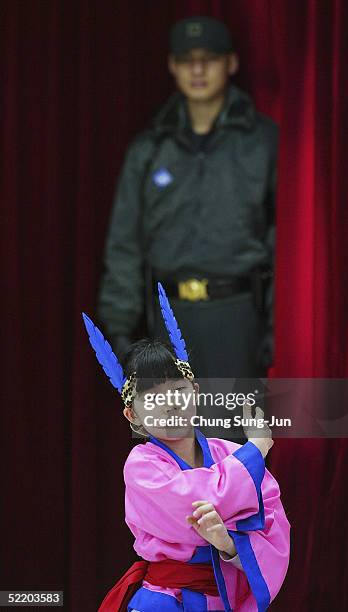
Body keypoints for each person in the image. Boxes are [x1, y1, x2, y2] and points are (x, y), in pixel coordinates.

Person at [82, 284, 290, 611]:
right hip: (163, 602)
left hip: (224, 601)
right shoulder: (141, 466)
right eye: (152, 397)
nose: (169, 403)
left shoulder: (229, 454)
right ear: (132, 415)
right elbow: (196, 502)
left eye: (176, 390)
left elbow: (275, 529)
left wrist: (228, 545)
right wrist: (257, 449)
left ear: (194, 391)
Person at [97, 15, 277, 381]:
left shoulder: (262, 142)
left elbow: (284, 238)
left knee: (232, 433)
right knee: (173, 434)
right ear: (172, 67)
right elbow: (125, 242)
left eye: (208, 59)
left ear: (231, 63)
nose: (198, 70)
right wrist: (118, 329)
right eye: (186, 60)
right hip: (167, 317)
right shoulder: (150, 149)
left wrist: (276, 326)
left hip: (239, 314)